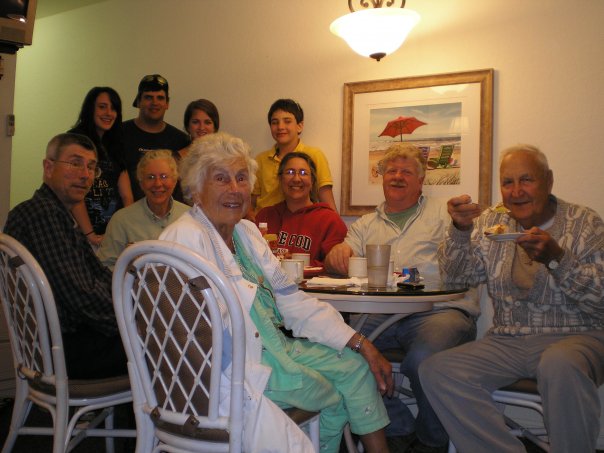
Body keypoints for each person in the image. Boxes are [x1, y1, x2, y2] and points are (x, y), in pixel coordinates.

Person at [160, 132, 393, 453]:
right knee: (333, 393)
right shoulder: (184, 238)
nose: (235, 189)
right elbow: (192, 338)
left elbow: (292, 301)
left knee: (354, 365)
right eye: (221, 178)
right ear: (195, 190)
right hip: (231, 371)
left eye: (241, 178)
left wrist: (360, 342)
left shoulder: (247, 232)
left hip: (276, 346)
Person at [420, 144, 604, 453]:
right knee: (437, 370)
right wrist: (460, 231)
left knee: (560, 364)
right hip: (507, 340)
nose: (516, 191)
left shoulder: (585, 224)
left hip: (578, 336)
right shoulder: (492, 223)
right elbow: (457, 278)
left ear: (549, 181)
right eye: (508, 182)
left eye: (526, 180)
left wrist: (557, 259)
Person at [324, 143, 479, 452]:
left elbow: (469, 264)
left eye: (406, 172)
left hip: (439, 312)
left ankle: (430, 441)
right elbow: (337, 259)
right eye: (391, 171)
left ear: (421, 181)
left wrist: (462, 225)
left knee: (424, 360)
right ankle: (398, 426)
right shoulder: (366, 224)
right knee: (341, 353)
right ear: (382, 178)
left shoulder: (444, 214)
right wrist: (336, 253)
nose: (397, 176)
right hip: (380, 313)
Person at [3, 133, 126, 379]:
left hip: (59, 343)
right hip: (62, 350)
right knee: (167, 341)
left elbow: (96, 275)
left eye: (91, 167)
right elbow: (81, 295)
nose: (85, 174)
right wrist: (131, 317)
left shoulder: (56, 213)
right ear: (48, 167)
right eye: (75, 163)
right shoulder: (42, 215)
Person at [97, 150, 189, 270]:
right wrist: (131, 267)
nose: (158, 183)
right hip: (135, 288)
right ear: (141, 183)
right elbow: (105, 267)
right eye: (150, 177)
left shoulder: (189, 216)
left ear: (175, 181)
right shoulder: (121, 221)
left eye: (164, 176)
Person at [255, 151, 347, 266]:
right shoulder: (265, 216)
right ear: (280, 179)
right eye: (290, 172)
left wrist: (295, 264)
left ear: (312, 181)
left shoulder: (330, 220)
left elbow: (337, 266)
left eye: (303, 173)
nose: (296, 179)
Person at [69, 86, 134, 246]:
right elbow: (74, 194)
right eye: (102, 107)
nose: (108, 113)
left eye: (113, 108)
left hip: (111, 234)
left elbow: (127, 196)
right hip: (79, 232)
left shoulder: (115, 144)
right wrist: (90, 234)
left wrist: (125, 230)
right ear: (90, 109)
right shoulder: (75, 141)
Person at [252, 98, 338, 213]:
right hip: (266, 224)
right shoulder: (260, 160)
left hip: (303, 224)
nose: (280, 127)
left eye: (287, 121)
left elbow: (326, 199)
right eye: (275, 122)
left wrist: (334, 223)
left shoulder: (314, 155)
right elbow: (251, 201)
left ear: (300, 126)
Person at [123, 74, 190, 201]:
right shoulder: (119, 134)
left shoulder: (181, 140)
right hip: (128, 215)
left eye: (160, 98)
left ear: (167, 104)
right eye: (148, 97)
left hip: (170, 217)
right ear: (138, 101)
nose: (155, 103)